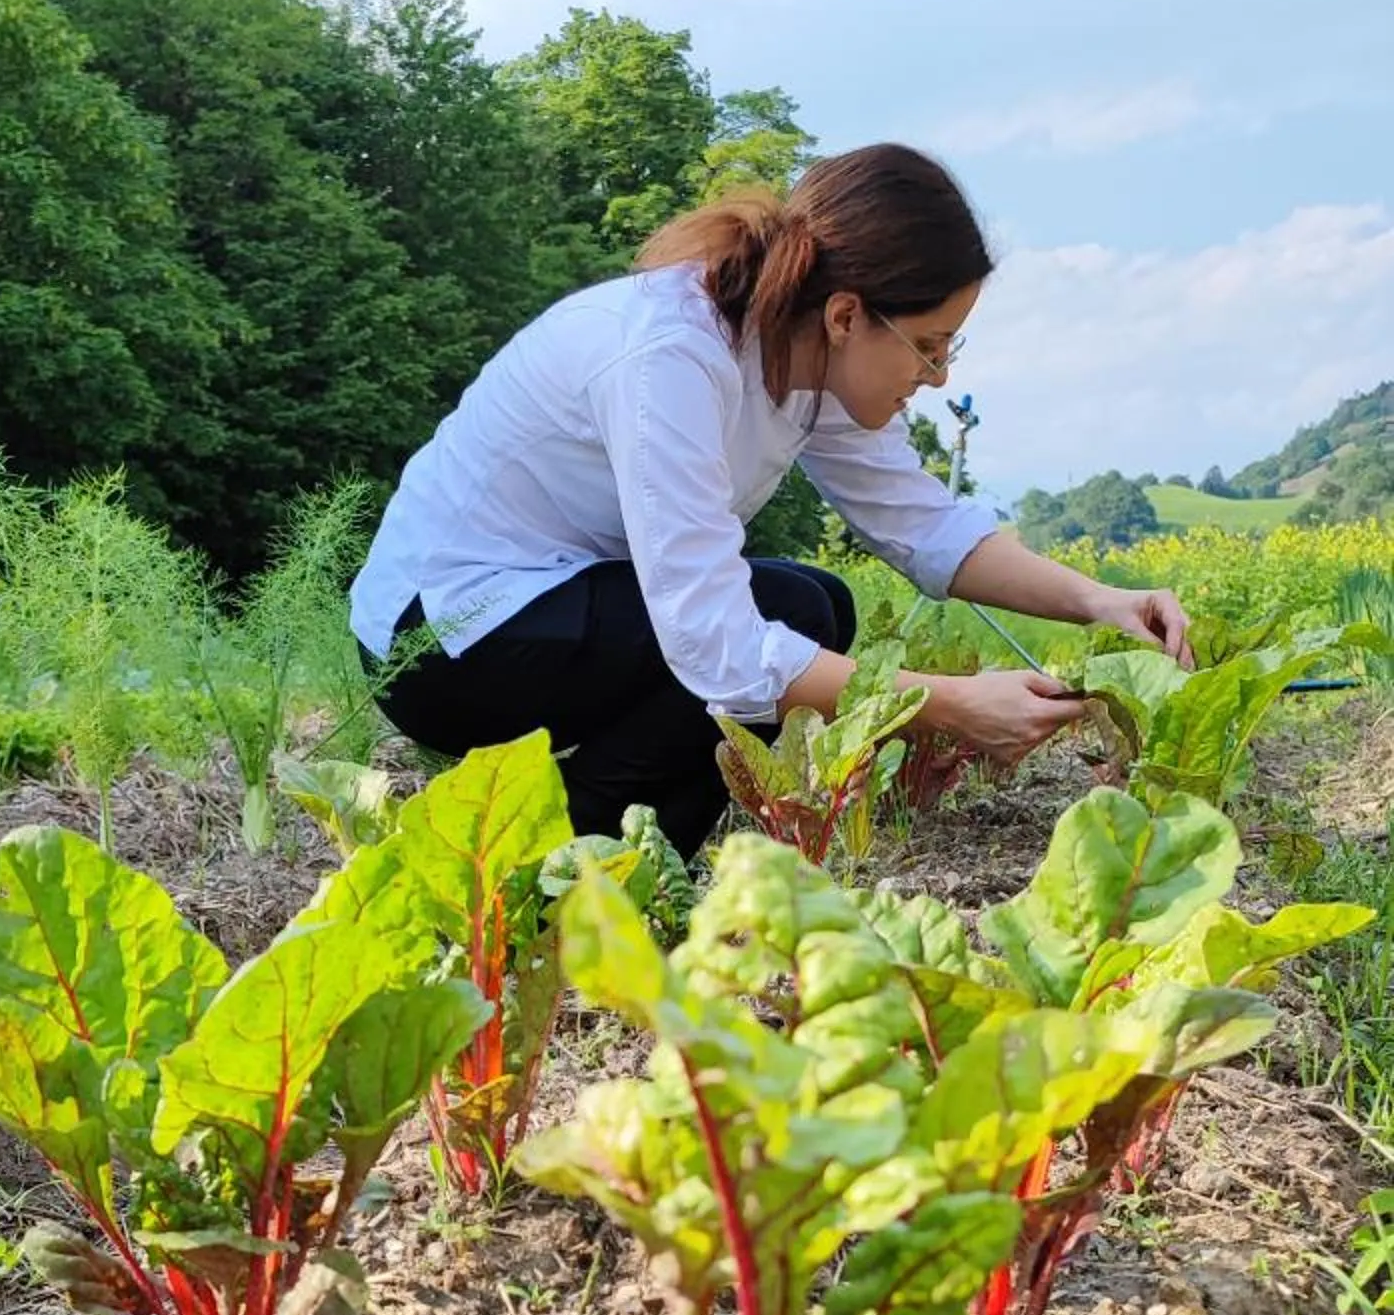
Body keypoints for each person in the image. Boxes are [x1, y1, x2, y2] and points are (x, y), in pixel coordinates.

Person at [350, 142, 1190, 856]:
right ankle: (562, 851)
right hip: (447, 635)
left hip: (549, 608)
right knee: (771, 620)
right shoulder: (671, 358)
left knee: (814, 603)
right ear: (847, 314)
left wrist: (1099, 603)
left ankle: (622, 847)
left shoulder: (800, 353)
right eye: (929, 347)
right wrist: (952, 707)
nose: (937, 378)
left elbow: (925, 525)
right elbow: (713, 643)